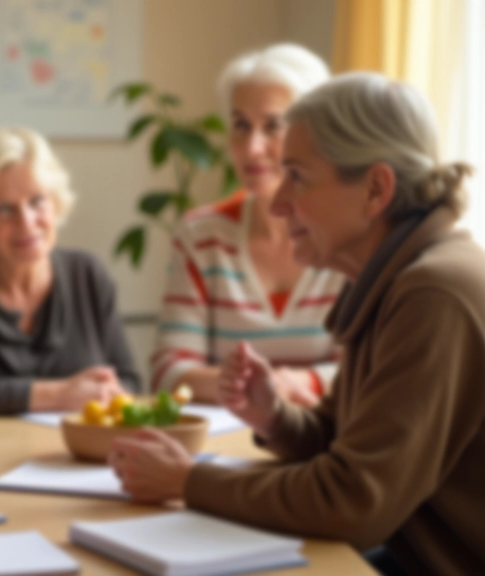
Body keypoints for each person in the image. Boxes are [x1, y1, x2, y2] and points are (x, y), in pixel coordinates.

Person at [111, 73, 485, 576]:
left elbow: (352, 501)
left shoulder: (433, 294)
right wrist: (274, 417)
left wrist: (187, 481)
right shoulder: (386, 274)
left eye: (297, 175)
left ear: (375, 189)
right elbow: (341, 442)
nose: (278, 200)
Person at [151, 43, 345, 406]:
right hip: (225, 443)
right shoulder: (201, 235)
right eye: (241, 125)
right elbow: (168, 371)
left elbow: (366, 369)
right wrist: (259, 386)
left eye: (274, 126)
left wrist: (299, 382)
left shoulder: (344, 237)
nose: (252, 147)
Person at [0, 127, 140, 414]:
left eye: (37, 201)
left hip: (79, 452)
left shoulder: (88, 273)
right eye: (4, 209)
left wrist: (111, 391)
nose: (26, 222)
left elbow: (129, 381)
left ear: (55, 202)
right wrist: (58, 395)